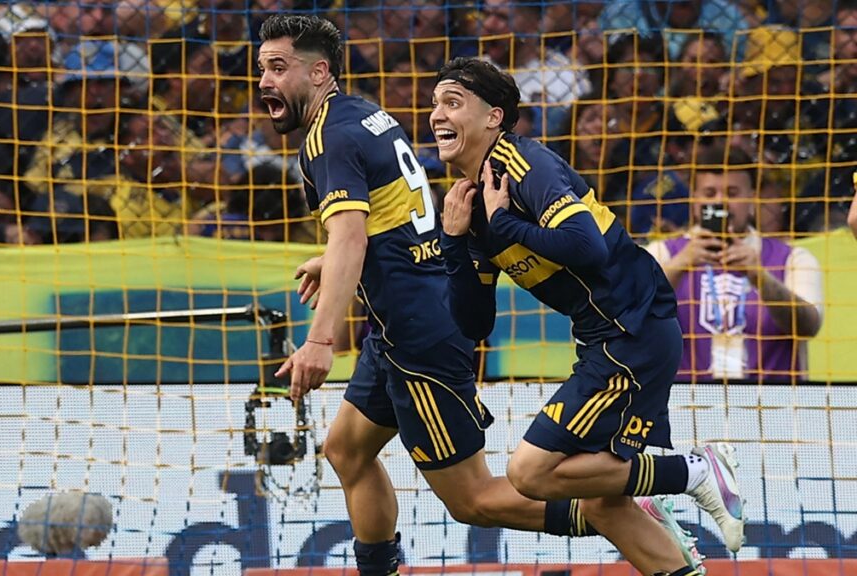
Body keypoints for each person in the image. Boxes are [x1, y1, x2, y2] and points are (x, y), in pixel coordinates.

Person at [257, 16, 702, 576]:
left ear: (319, 72)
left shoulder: (331, 137)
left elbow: (349, 232)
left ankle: (619, 512)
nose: (265, 82)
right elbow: (394, 219)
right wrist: (343, 260)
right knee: (346, 450)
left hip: (419, 335)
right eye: (261, 69)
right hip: (404, 321)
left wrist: (320, 339)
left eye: (278, 68)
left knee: (474, 500)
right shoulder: (364, 116)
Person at [431, 57, 747, 576]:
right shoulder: (470, 198)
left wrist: (505, 224)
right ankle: (670, 527)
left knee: (529, 472)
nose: (436, 115)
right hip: (611, 336)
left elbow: (589, 248)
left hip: (632, 328)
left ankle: (692, 469)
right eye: (435, 104)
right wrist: (454, 239)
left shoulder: (527, 167)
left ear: (493, 117)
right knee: (605, 502)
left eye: (452, 102)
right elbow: (474, 324)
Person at [645, 147, 823, 382]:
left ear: (751, 197)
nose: (721, 202)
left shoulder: (793, 258)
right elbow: (628, 315)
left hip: (774, 407)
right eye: (709, 193)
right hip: (684, 404)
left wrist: (760, 277)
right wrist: (680, 265)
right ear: (694, 199)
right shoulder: (663, 253)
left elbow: (809, 327)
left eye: (732, 192)